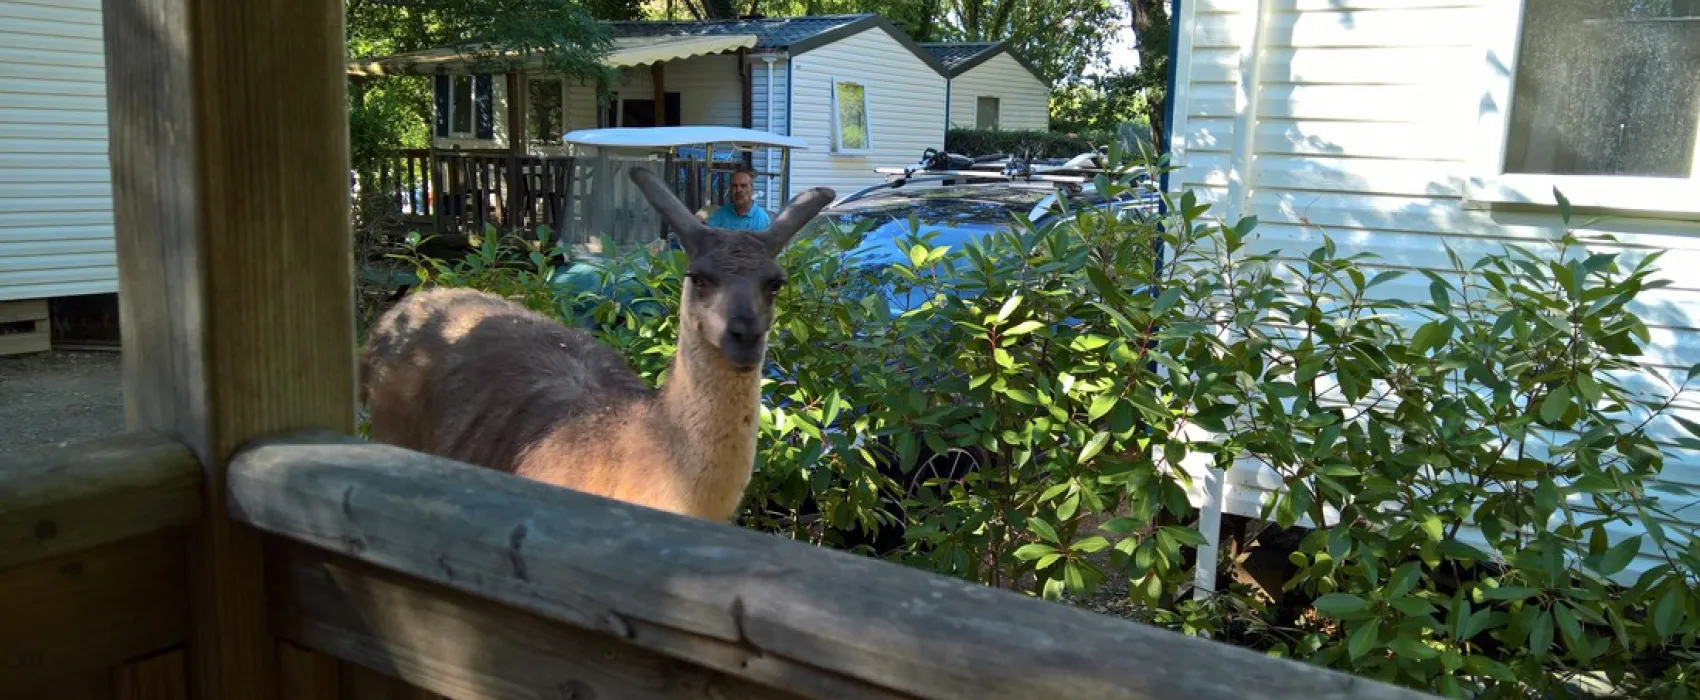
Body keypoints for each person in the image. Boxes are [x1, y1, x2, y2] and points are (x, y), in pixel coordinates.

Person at [704, 168, 770, 231]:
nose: (738, 190)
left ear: (752, 189)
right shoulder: (721, 214)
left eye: (743, 186)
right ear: (730, 189)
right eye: (734, 186)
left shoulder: (762, 220)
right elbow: (708, 236)